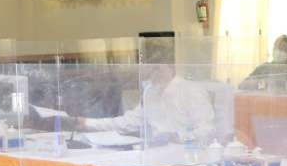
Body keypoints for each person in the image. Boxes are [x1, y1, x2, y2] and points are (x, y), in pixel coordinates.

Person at [81, 59, 216, 143]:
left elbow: (208, 130)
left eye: (157, 68)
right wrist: (86, 123)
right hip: (156, 156)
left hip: (188, 156)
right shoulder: (150, 93)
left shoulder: (191, 90)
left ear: (171, 67)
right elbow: (128, 122)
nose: (153, 73)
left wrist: (177, 137)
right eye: (149, 69)